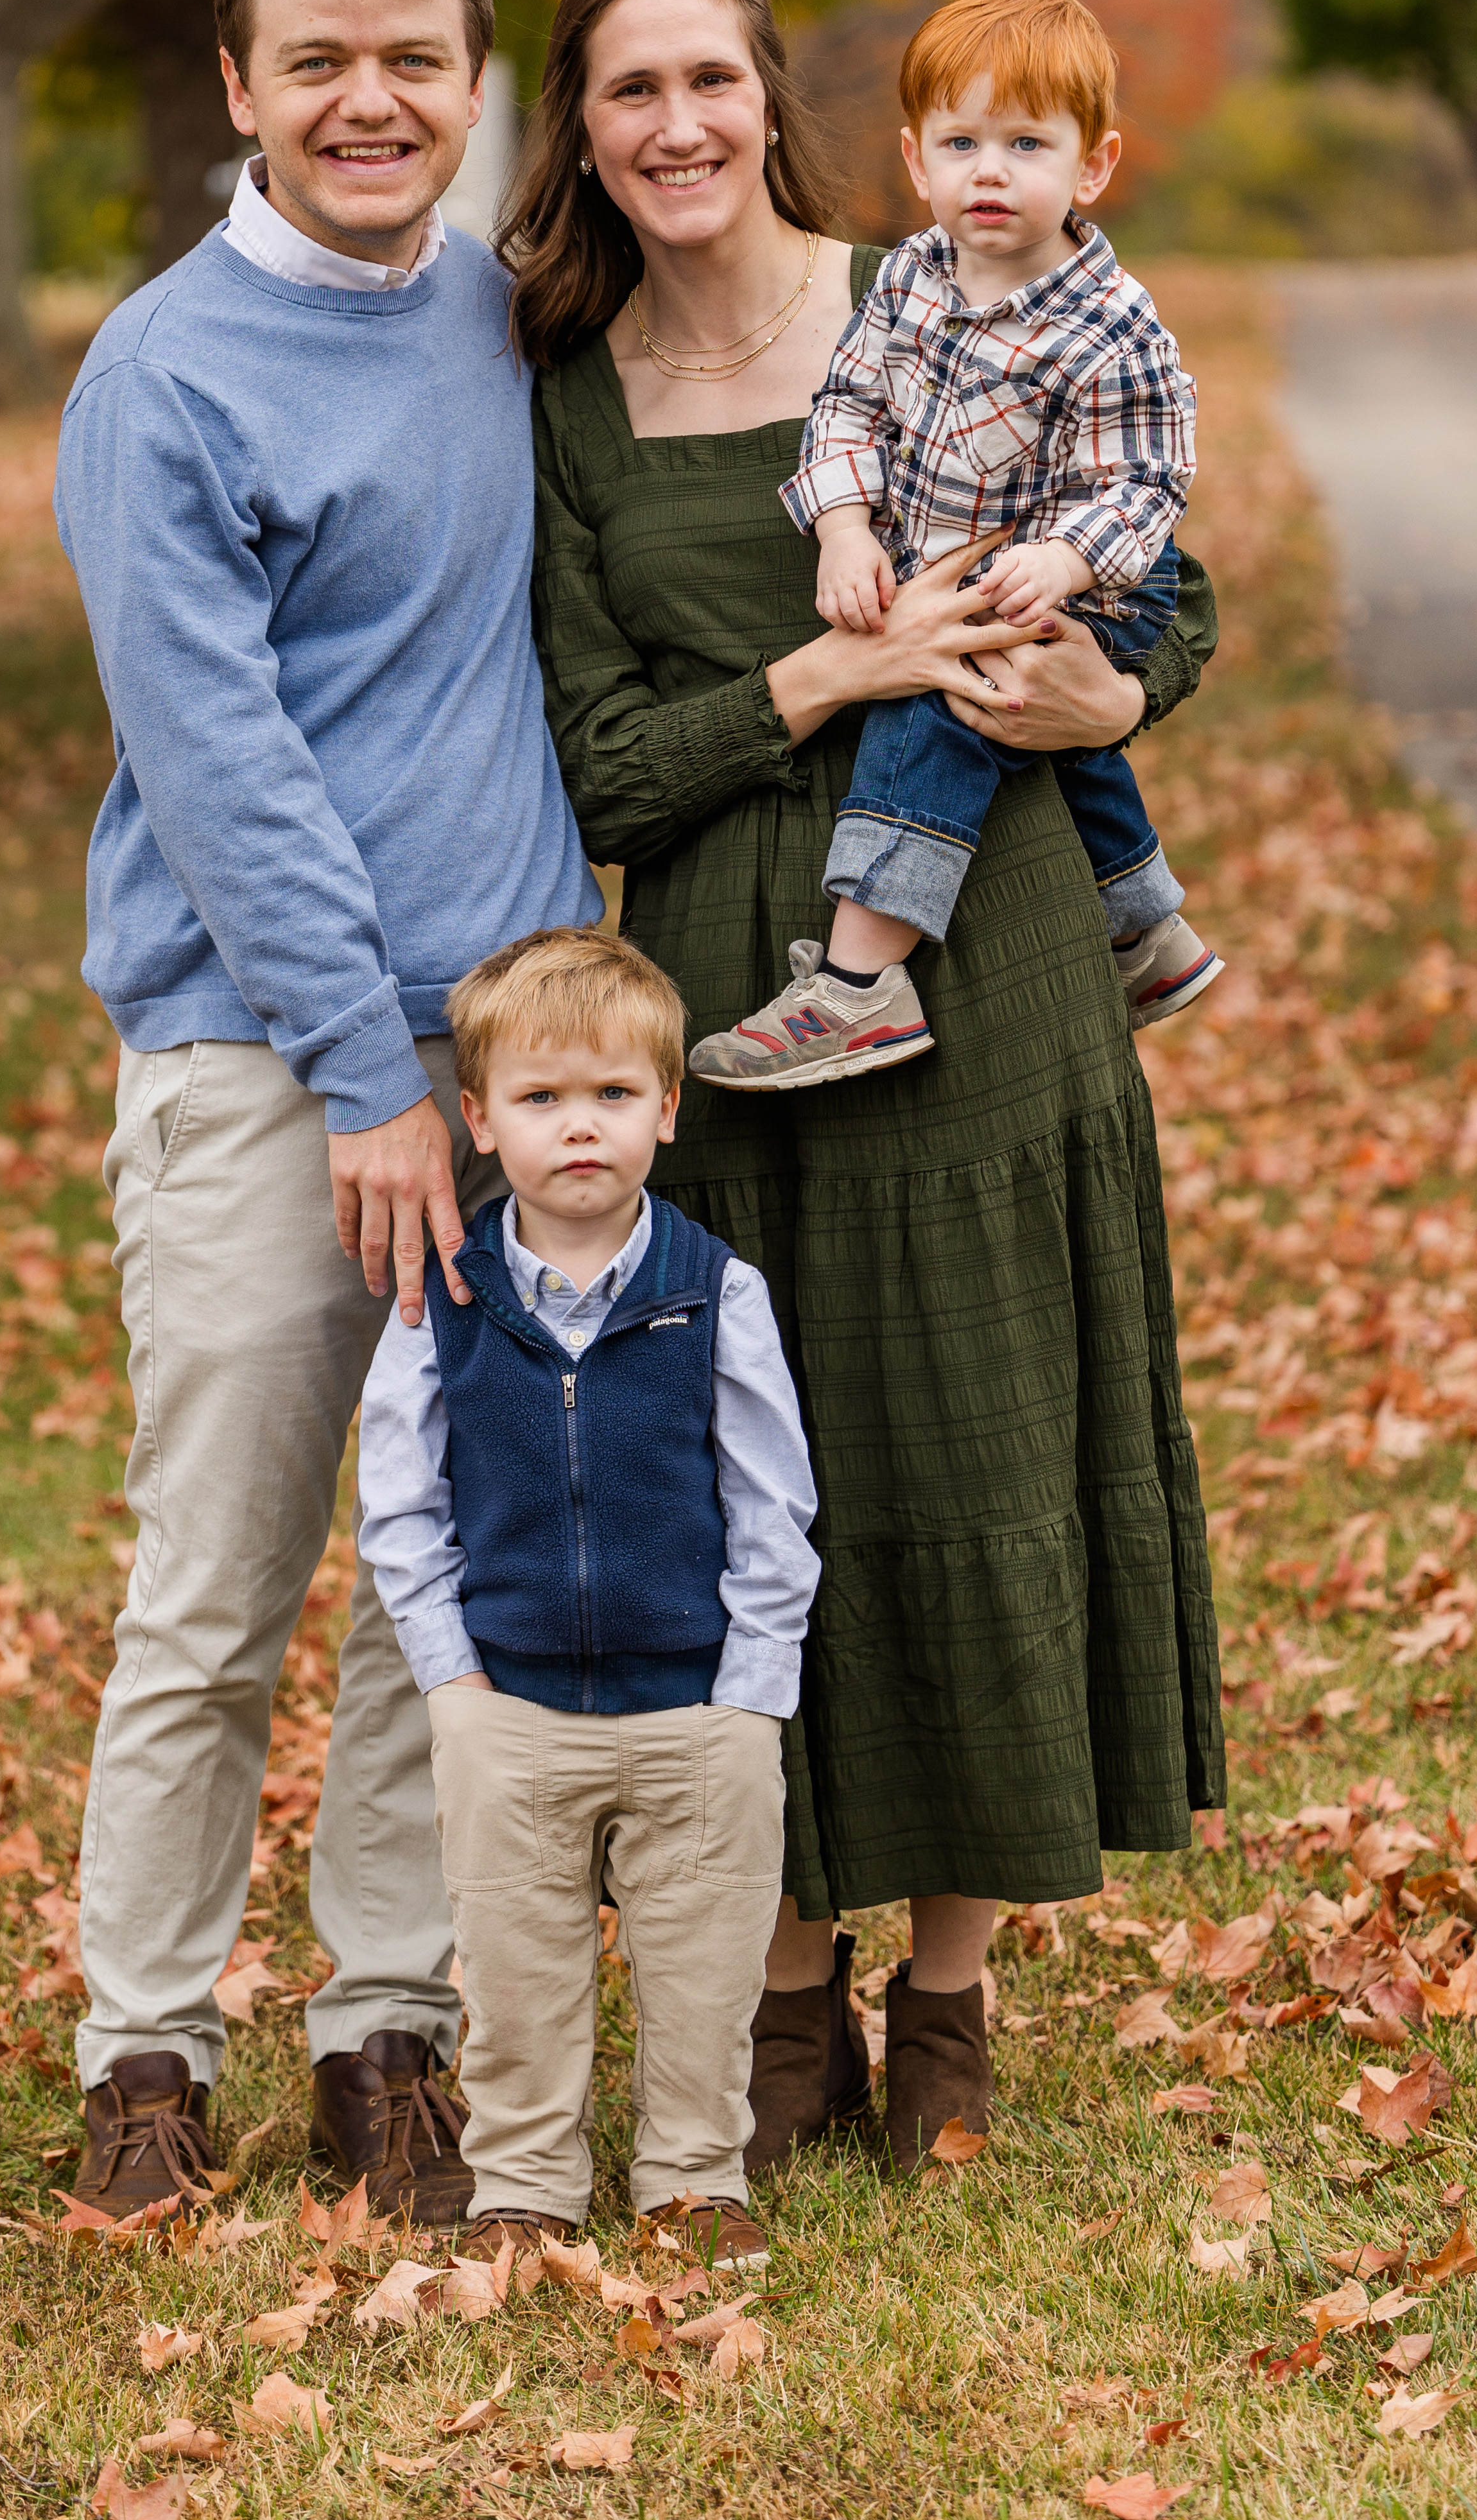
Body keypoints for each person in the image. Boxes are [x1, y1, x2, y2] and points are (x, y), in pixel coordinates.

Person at [509, 0, 1225, 2174]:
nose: (679, 127)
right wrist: (822, 678)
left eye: (712, 81)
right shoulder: (560, 396)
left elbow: (1161, 582)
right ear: (584, 127)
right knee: (761, 1501)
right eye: (630, 92)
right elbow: (600, 764)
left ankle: (944, 2003)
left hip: (989, 956)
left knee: (970, 1454)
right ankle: (782, 1993)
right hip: (729, 995)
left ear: (770, 102)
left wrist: (1106, 696)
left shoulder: (929, 286)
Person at [51, 0, 600, 2224]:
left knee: (433, 1585)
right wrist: (369, 1070)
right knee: (219, 1581)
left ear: (470, 85)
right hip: (269, 1072)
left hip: (497, 1071)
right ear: (240, 87)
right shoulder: (160, 375)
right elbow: (220, 760)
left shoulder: (493, 317)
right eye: (319, 61)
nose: (368, 101)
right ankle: (139, 2053)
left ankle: (382, 2033)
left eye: (413, 59)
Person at [357, 928, 820, 2258]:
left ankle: (690, 2177)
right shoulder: (439, 1297)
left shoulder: (712, 1292)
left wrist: (751, 1693)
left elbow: (772, 1502)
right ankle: (521, 2188)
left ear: (667, 1113)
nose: (579, 1130)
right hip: (508, 1711)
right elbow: (402, 1504)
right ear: (479, 1120)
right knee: (516, 1974)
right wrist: (453, 1681)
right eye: (542, 1099)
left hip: (698, 1709)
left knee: (702, 1966)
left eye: (613, 1096)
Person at [690, 0, 1222, 1093]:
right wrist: (841, 528)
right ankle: (1148, 933)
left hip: (1092, 579)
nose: (989, 170)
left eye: (1027, 143)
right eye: (961, 141)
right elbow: (845, 410)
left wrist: (1067, 561)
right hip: (955, 561)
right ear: (916, 158)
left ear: (1092, 166)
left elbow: (1144, 480)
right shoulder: (911, 284)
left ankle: (860, 981)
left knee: (941, 702)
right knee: (1026, 721)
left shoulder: (1113, 322)